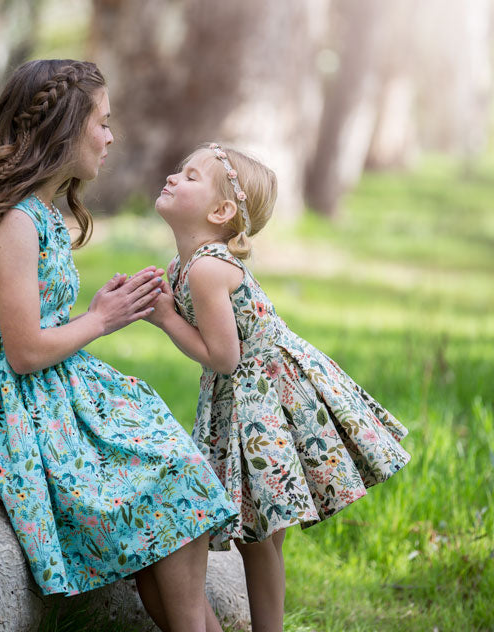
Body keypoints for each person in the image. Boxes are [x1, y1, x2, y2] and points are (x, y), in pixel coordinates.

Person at [0, 61, 237, 632]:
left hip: (25, 380)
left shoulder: (39, 211)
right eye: (103, 123)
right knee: (166, 467)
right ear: (63, 128)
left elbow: (33, 324)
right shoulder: (15, 221)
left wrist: (97, 313)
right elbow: (24, 351)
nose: (111, 137)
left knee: (165, 449)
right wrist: (103, 319)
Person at [149, 142, 412, 632]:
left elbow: (224, 356)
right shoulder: (184, 267)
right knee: (261, 531)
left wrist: (165, 318)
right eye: (177, 170)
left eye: (189, 176)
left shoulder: (207, 268)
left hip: (267, 395)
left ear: (221, 210)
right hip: (247, 396)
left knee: (260, 532)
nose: (172, 177)